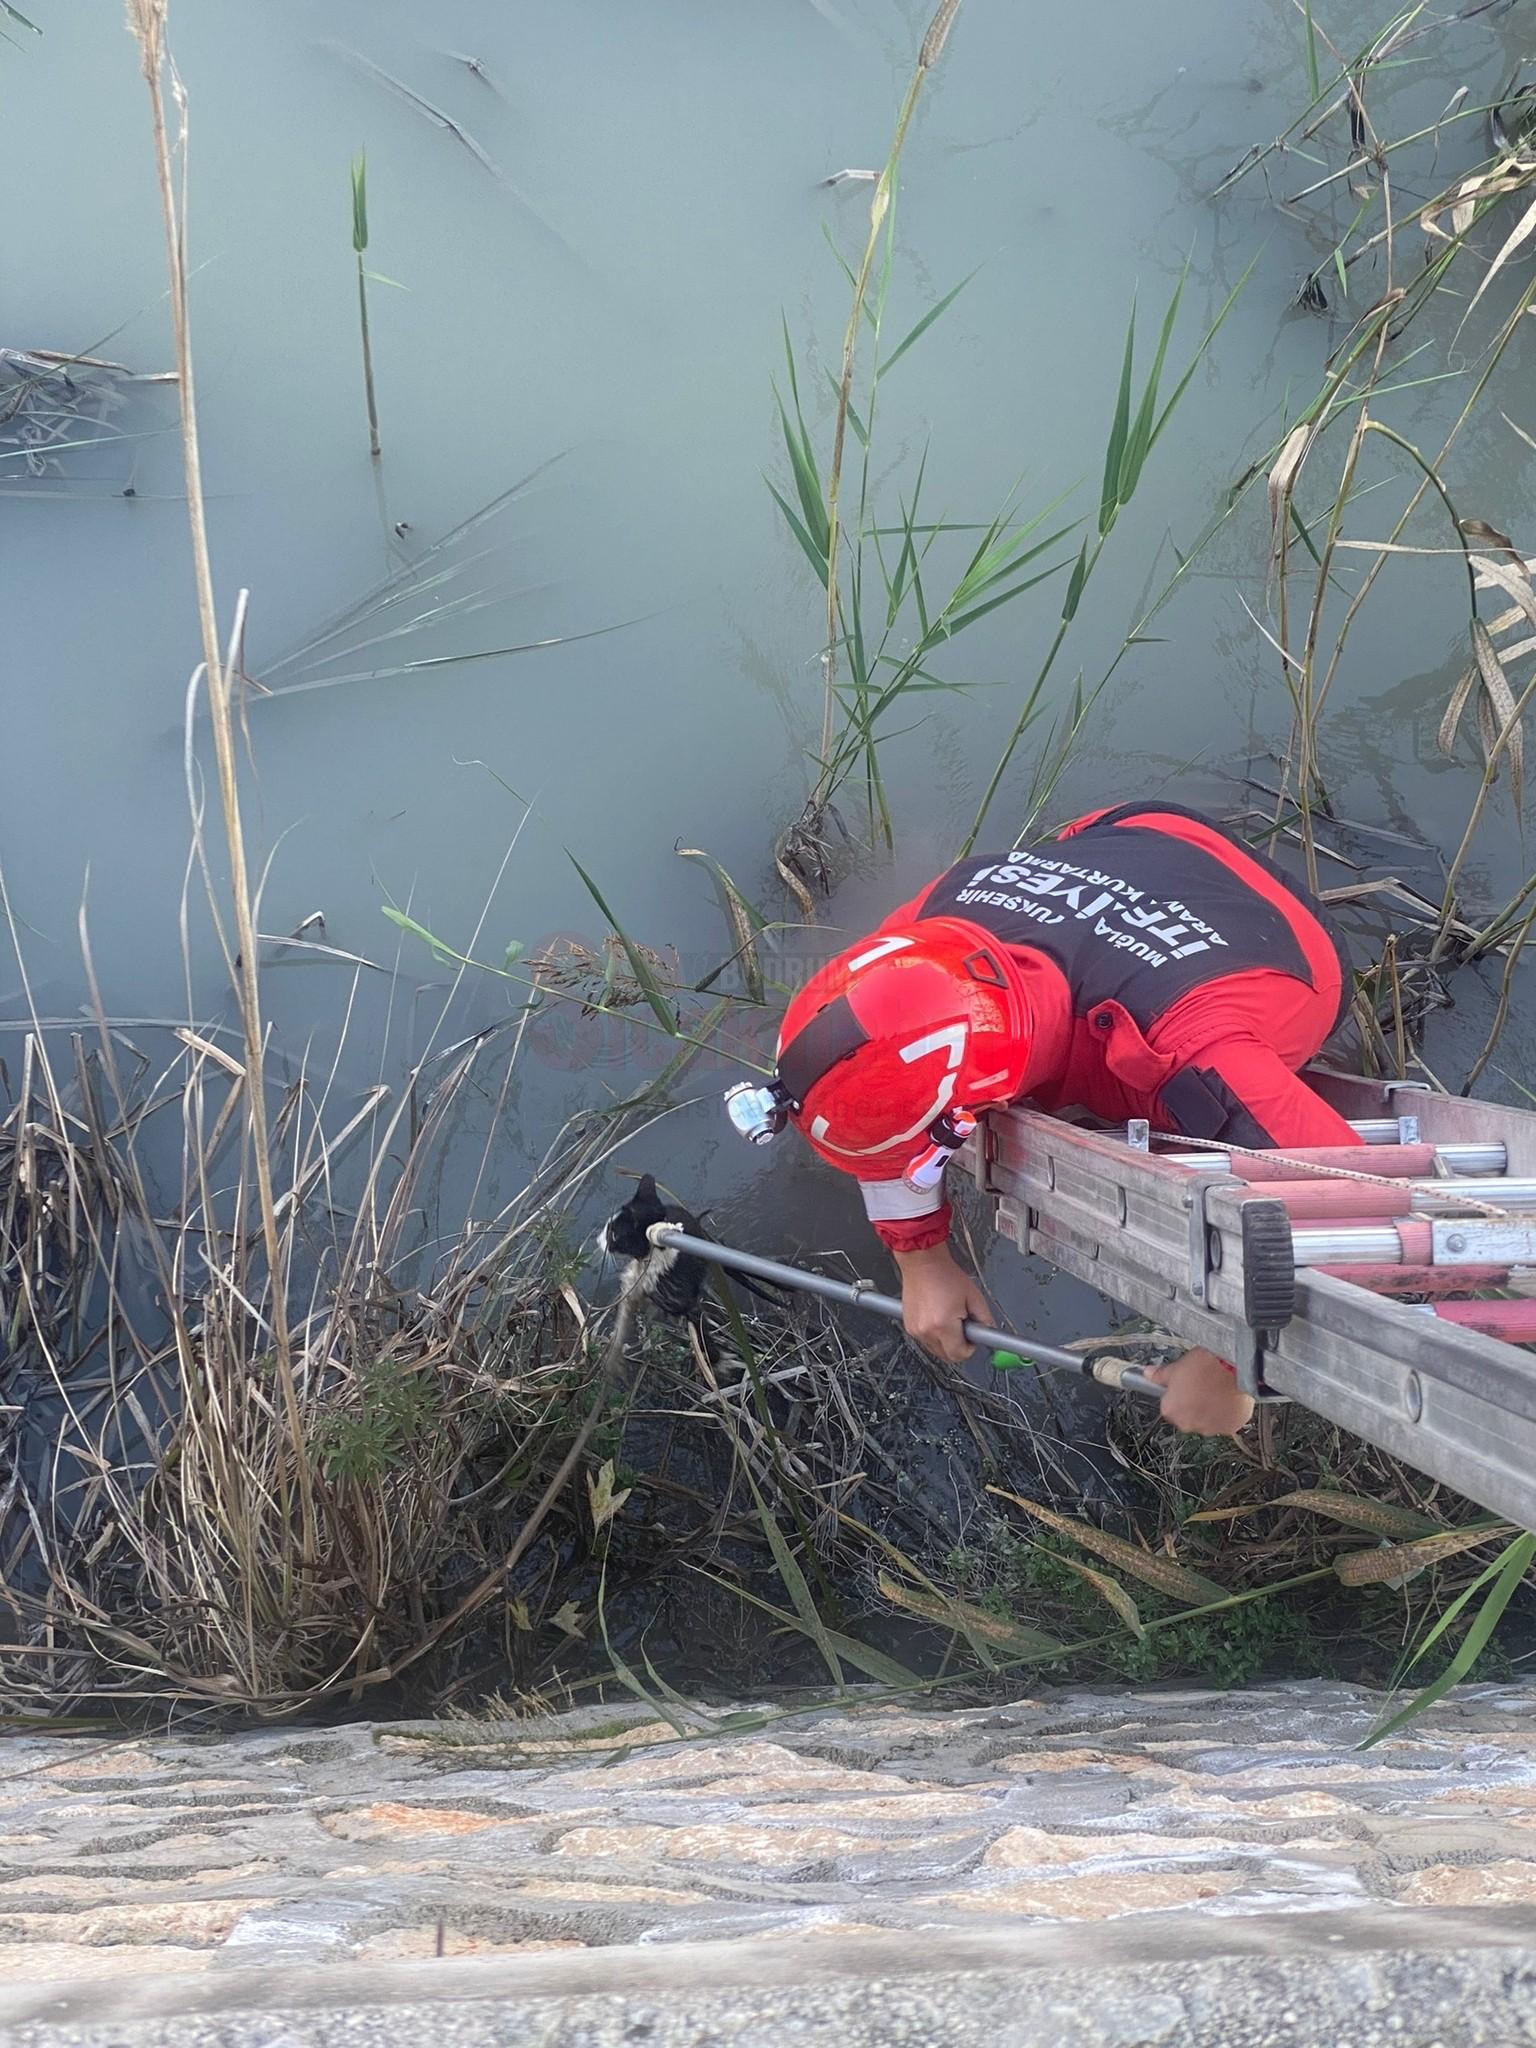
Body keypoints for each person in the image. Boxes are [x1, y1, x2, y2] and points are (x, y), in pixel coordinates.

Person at [727, 802, 1355, 1438]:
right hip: (1140, 831)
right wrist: (921, 1261)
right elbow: (885, 1087)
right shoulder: (920, 929)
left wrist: (1231, 1364)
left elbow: (1349, 1203)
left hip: (1291, 943)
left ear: (992, 1097)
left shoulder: (1180, 1052)